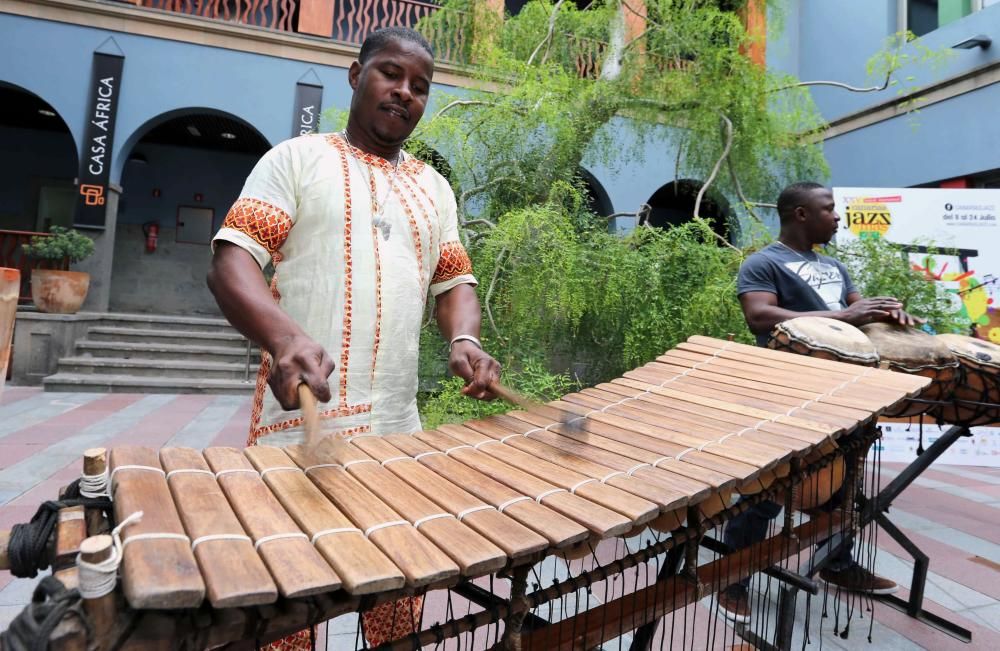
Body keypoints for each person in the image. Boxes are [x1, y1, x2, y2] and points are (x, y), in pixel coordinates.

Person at [207, 26, 500, 648]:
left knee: (396, 591)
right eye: (391, 74)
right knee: (289, 598)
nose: (404, 92)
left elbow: (455, 284)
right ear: (354, 75)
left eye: (419, 87)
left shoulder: (434, 187)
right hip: (300, 434)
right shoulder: (295, 159)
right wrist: (284, 337)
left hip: (397, 434)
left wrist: (464, 342)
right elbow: (231, 262)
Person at [717, 181, 913, 623]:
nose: (837, 217)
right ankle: (733, 579)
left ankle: (838, 565)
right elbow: (759, 315)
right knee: (765, 491)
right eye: (829, 209)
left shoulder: (835, 267)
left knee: (842, 483)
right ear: (802, 214)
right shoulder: (763, 262)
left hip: (840, 393)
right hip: (786, 392)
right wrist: (843, 316)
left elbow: (856, 307)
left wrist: (888, 314)